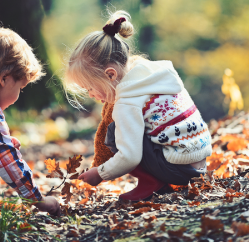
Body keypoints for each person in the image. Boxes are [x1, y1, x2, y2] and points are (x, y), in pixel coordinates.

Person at [65, 11, 212, 201]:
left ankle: (152, 183)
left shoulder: (127, 102)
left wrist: (100, 173)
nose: (91, 95)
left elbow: (130, 157)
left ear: (110, 75)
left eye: (90, 88)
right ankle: (158, 179)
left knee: (113, 132)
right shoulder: (153, 75)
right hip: (198, 165)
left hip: (178, 169)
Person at [0, 26, 60, 215]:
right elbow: (8, 158)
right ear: (4, 79)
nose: (19, 93)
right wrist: (38, 200)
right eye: (21, 87)